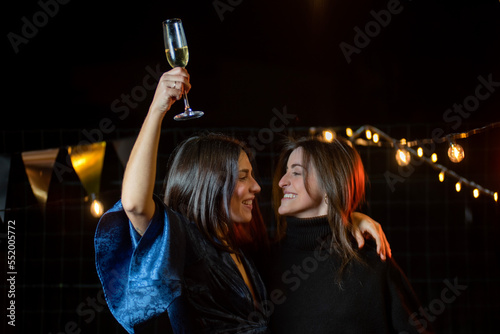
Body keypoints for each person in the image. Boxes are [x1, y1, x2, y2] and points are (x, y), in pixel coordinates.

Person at [94, 68, 391, 333]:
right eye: (243, 176)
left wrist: (347, 216)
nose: (258, 187)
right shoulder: (182, 240)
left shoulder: (245, 250)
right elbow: (133, 204)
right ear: (212, 183)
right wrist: (158, 108)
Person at [266, 136, 434, 334]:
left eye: (295, 172)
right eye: (285, 172)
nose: (282, 182)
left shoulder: (371, 262)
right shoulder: (264, 261)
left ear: (329, 184)